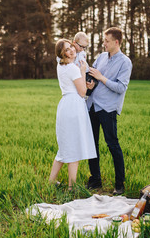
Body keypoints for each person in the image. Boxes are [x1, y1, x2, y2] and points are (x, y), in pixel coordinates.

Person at [85, 27, 132, 195]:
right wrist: (91, 83)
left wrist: (100, 78)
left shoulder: (125, 62)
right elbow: (93, 76)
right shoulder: (101, 57)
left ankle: (119, 184)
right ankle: (95, 180)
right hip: (92, 106)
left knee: (113, 145)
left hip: (108, 108)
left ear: (116, 42)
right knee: (92, 145)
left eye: (106, 41)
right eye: (104, 40)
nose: (103, 43)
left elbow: (120, 87)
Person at [49, 39, 97, 190]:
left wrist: (82, 79)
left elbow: (77, 86)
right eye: (67, 50)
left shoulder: (60, 66)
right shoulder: (73, 68)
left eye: (71, 47)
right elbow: (82, 92)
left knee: (64, 147)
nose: (71, 50)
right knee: (74, 147)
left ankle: (51, 182)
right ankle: (72, 187)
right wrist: (83, 72)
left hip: (65, 105)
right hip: (74, 106)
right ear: (63, 54)